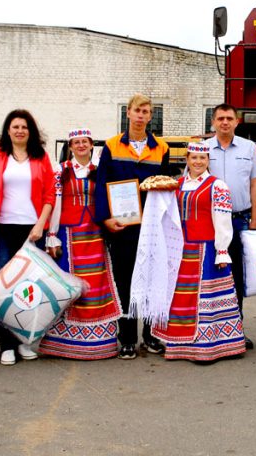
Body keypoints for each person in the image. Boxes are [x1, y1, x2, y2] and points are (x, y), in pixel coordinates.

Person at [147, 142, 246, 362]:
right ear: (186, 160)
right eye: (194, 158)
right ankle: (181, 345)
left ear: (208, 161)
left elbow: (222, 220)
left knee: (206, 297)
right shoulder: (177, 184)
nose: (198, 162)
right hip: (182, 249)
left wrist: (222, 249)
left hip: (206, 248)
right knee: (181, 297)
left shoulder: (217, 185)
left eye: (202, 158)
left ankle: (211, 346)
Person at [93, 94, 172, 359]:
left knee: (151, 278)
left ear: (151, 116)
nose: (141, 115)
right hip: (122, 225)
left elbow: (165, 184)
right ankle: (126, 338)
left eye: (146, 111)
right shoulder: (112, 146)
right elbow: (101, 184)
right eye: (137, 110)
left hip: (151, 227)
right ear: (128, 113)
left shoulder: (161, 147)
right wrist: (105, 218)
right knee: (125, 280)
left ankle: (150, 336)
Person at [0, 110, 56, 366]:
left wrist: (40, 225)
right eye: (15, 126)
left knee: (29, 287)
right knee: (4, 286)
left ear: (30, 131)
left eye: (24, 126)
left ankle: (24, 341)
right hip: (2, 230)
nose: (20, 130)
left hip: (31, 230)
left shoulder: (40, 157)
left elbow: (49, 195)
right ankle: (7, 345)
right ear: (8, 130)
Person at [38, 128, 121, 360]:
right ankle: (64, 342)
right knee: (68, 284)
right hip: (69, 233)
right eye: (77, 142)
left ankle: (98, 341)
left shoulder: (100, 170)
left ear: (91, 145)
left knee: (96, 282)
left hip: (95, 234)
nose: (81, 146)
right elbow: (54, 202)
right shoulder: (61, 171)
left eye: (85, 142)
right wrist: (52, 234)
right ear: (71, 146)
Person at [204, 104, 256, 350]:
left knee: (237, 277)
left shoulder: (249, 148)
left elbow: (254, 184)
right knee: (211, 276)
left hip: (240, 220)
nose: (225, 122)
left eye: (229, 118)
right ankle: (209, 329)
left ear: (237, 122)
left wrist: (255, 219)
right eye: (220, 118)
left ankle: (236, 330)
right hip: (210, 224)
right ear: (213, 122)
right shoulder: (202, 149)